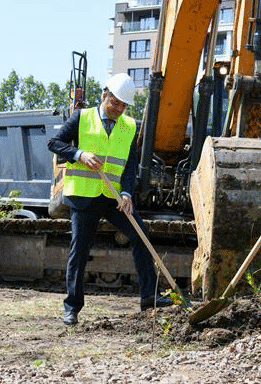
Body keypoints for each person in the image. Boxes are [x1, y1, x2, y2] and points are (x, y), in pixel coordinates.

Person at [48, 73, 173, 325]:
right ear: (105, 96)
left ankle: (149, 296)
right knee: (80, 251)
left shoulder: (129, 126)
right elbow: (54, 142)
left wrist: (127, 193)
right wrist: (79, 154)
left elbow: (129, 166)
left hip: (114, 197)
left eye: (123, 105)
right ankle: (72, 307)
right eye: (115, 102)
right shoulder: (82, 118)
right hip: (83, 196)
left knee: (141, 235)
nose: (118, 109)